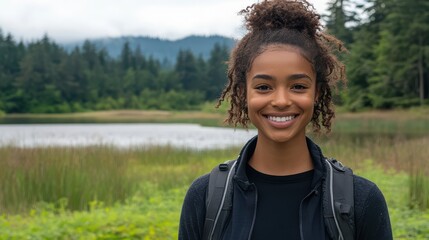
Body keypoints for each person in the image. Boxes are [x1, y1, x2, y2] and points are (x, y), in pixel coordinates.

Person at [179, 0, 393, 239]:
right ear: (243, 93)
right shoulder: (206, 197)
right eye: (263, 87)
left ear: (317, 93)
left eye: (298, 86)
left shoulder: (361, 200)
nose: (281, 100)